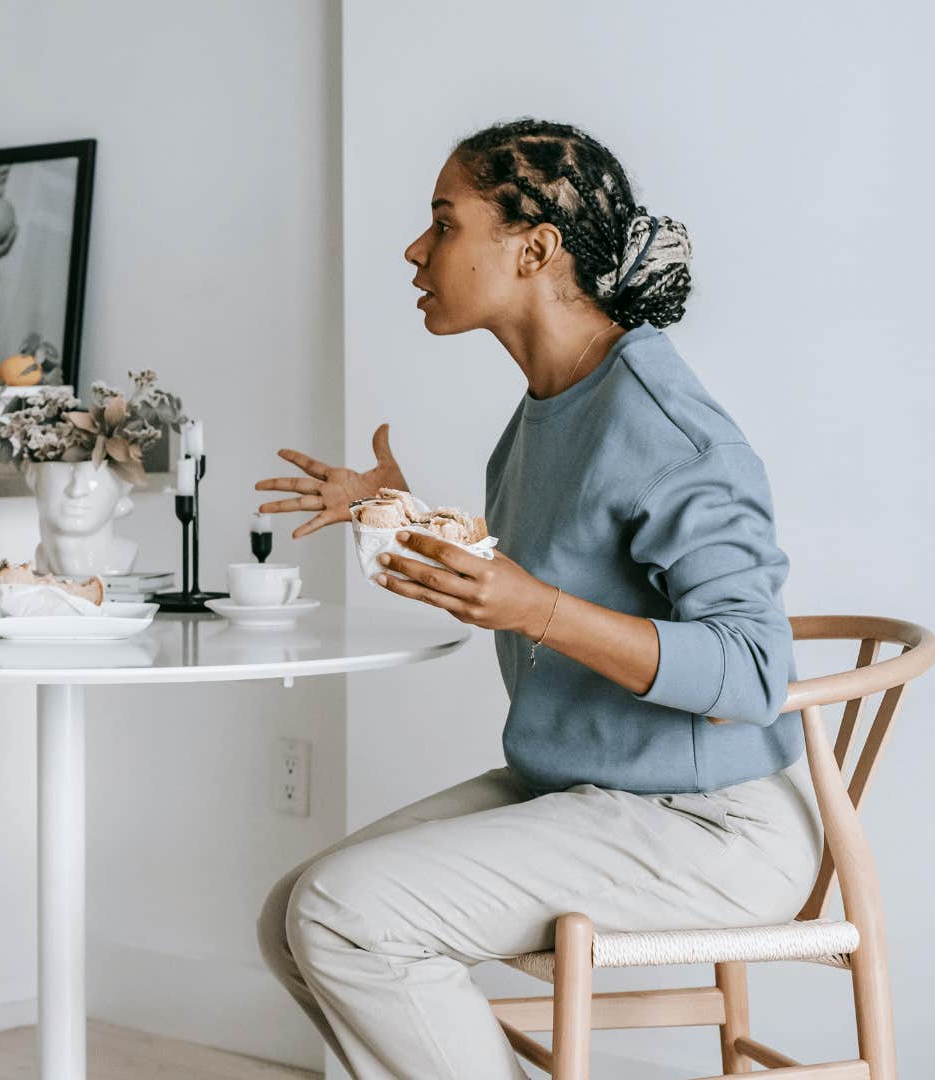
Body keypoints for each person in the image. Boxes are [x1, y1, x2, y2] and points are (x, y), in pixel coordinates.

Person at [252, 119, 818, 1078]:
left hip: (712, 823)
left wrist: (536, 610)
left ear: (534, 248)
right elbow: (560, 566)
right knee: (294, 914)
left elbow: (755, 673)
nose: (415, 249)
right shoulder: (551, 407)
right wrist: (400, 514)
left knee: (345, 917)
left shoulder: (664, 422)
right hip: (598, 790)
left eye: (443, 222)